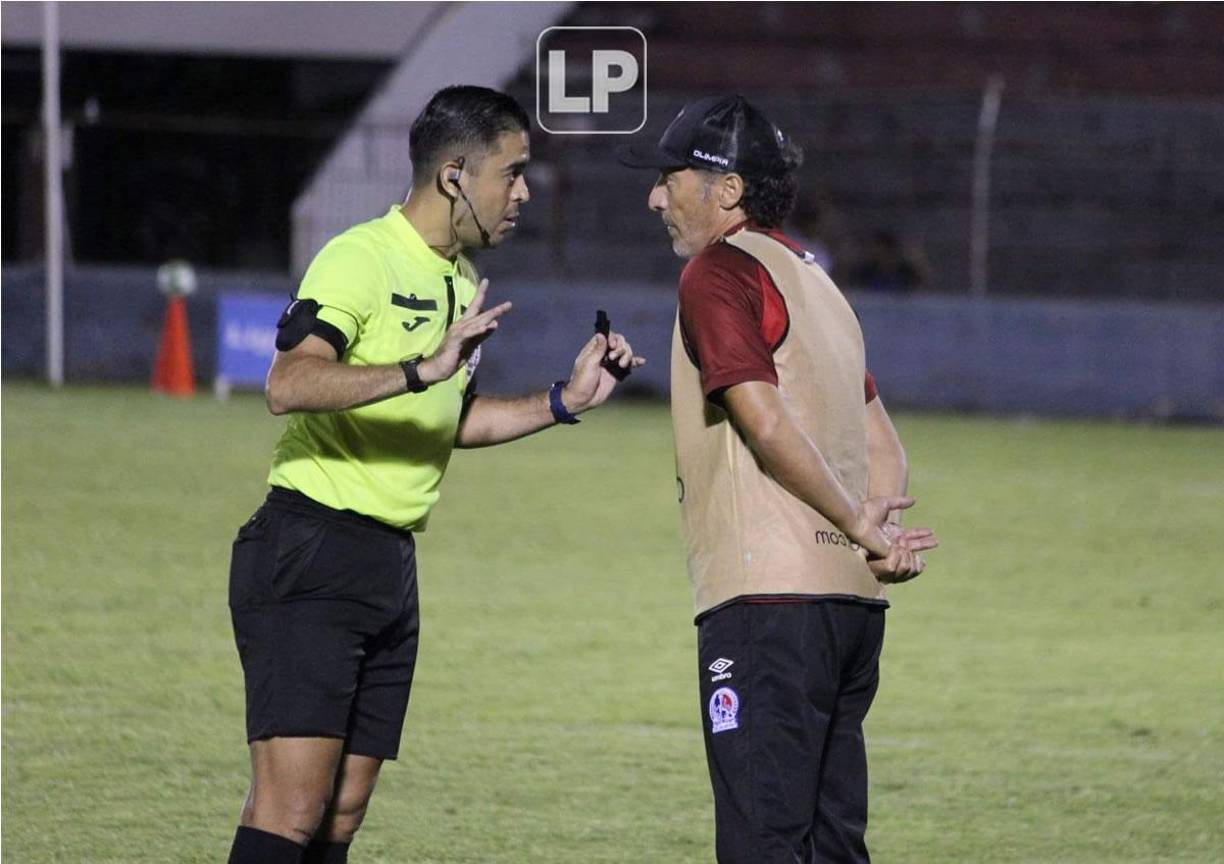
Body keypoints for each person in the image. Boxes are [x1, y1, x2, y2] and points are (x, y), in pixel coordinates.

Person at [226, 85, 644, 864]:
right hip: (309, 547)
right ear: (455, 174)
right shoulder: (361, 255)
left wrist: (564, 400)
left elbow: (451, 420)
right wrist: (421, 368)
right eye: (511, 173)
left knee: (341, 814)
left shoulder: (458, 280)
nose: (523, 193)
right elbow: (288, 383)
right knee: (290, 810)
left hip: (389, 563)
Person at [617, 95, 937, 863]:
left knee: (763, 840)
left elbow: (760, 420)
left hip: (767, 604)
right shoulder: (818, 282)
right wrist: (872, 531)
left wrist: (864, 524)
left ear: (725, 191)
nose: (656, 196)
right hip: (851, 607)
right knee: (833, 845)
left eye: (672, 178)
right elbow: (882, 441)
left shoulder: (717, 272)